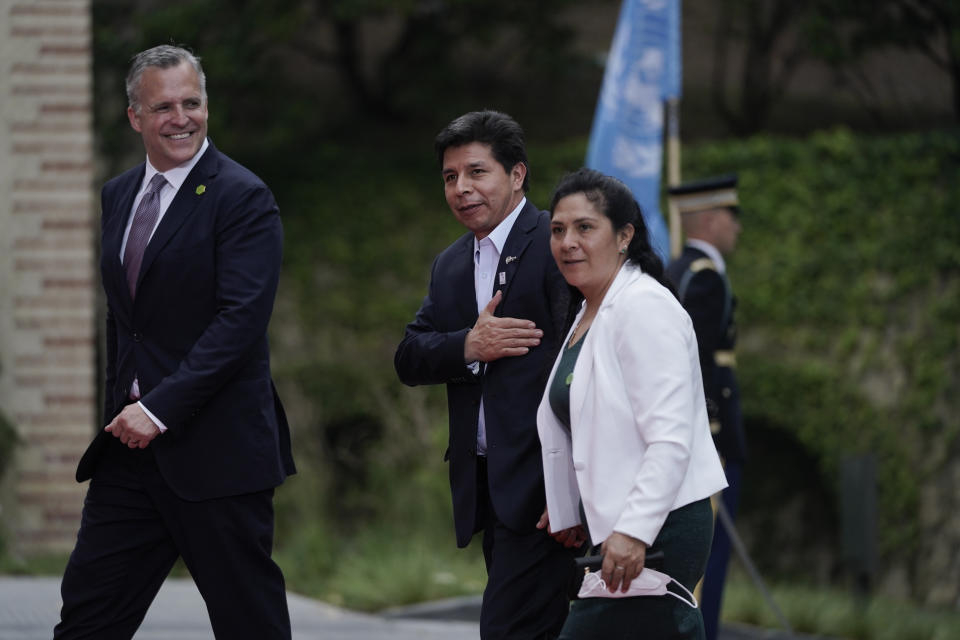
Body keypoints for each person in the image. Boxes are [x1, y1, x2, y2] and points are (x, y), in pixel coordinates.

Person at [54, 45, 296, 639]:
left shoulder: (243, 197)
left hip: (217, 453)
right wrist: (125, 405)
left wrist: (157, 409)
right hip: (130, 453)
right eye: (164, 107)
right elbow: (125, 316)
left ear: (207, 106)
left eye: (192, 103)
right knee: (87, 617)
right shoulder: (117, 195)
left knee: (249, 625)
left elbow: (239, 323)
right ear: (135, 116)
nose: (181, 118)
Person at [394, 110, 576, 639]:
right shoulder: (451, 263)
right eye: (451, 177)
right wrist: (469, 346)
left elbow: (586, 366)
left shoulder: (556, 243)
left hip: (548, 491)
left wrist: (576, 488)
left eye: (477, 172)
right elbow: (409, 356)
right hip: (488, 488)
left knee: (507, 628)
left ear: (517, 175)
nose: (461, 188)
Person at [537, 168, 728, 639]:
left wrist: (635, 531)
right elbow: (593, 423)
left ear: (624, 236)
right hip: (618, 526)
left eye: (585, 227)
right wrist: (567, 507)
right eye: (558, 230)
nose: (567, 242)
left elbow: (669, 438)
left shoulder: (644, 306)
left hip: (658, 527)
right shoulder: (589, 309)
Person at [665, 174, 745, 640]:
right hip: (711, 440)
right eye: (732, 217)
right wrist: (711, 433)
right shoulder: (706, 278)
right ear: (712, 220)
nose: (737, 228)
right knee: (706, 557)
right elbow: (697, 365)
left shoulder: (676, 270)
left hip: (697, 433)